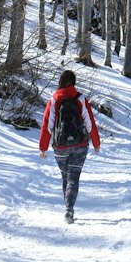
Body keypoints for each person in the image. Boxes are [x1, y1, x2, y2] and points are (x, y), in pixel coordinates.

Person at [39, 68, 101, 222]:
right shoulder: (80, 99)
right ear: (74, 83)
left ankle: (67, 207)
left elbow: (47, 125)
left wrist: (43, 147)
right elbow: (90, 123)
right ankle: (69, 209)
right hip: (80, 145)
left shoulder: (54, 100)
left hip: (60, 147)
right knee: (73, 177)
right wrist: (96, 143)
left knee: (65, 176)